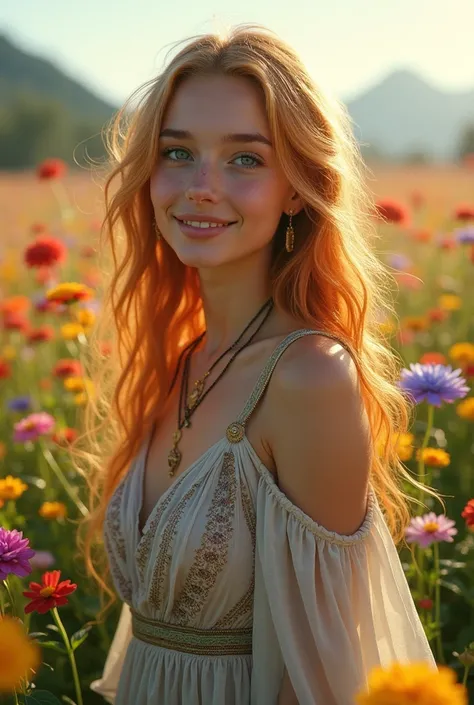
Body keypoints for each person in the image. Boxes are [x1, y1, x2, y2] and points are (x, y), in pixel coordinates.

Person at [78, 23, 440, 705]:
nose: (201, 186)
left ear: (299, 187)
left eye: (245, 159)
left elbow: (324, 670)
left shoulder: (309, 376)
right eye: (177, 152)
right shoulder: (180, 362)